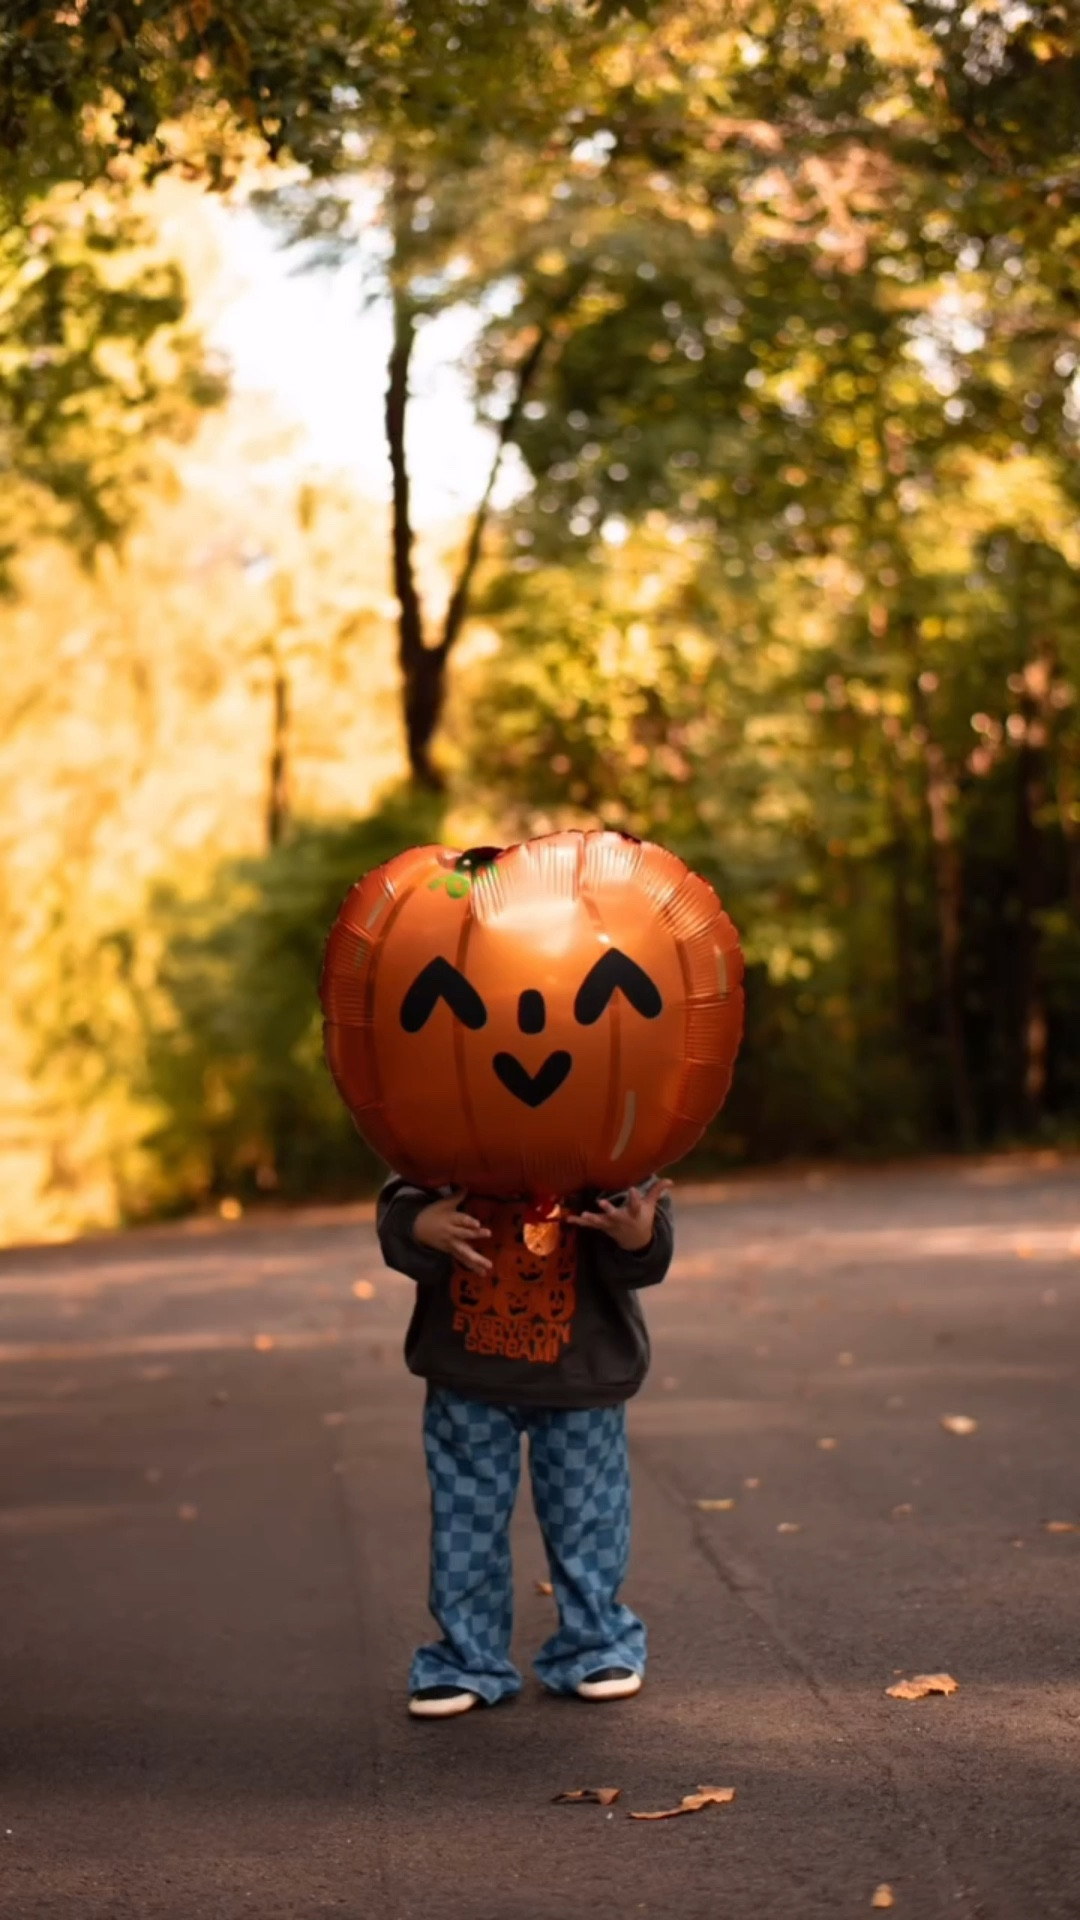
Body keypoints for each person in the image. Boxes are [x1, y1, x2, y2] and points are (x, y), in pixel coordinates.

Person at [375, 1174, 674, 1719]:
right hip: (468, 1372)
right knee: (465, 1521)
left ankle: (597, 1643)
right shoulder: (445, 1145)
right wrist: (420, 1226)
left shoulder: (609, 1146)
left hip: (583, 1369)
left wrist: (637, 1235)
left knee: (587, 1516)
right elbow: (402, 1192)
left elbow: (646, 1249)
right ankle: (467, 1657)